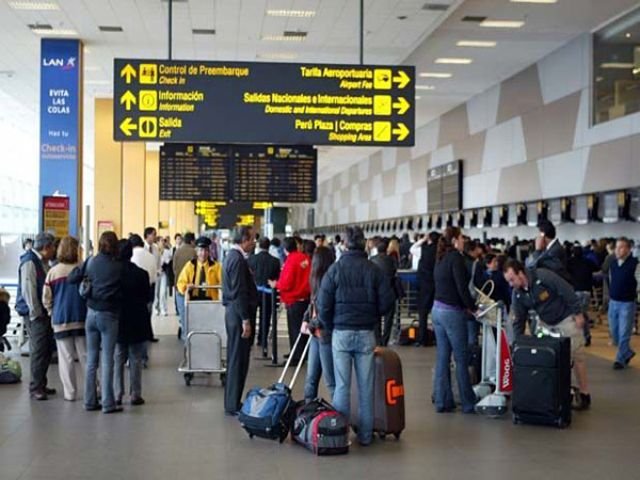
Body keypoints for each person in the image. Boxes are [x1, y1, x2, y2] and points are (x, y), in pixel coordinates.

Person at [317, 226, 395, 446]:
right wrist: (373, 315)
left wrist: (331, 324)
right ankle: (366, 436)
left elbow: (323, 304)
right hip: (366, 333)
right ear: (364, 243)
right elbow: (388, 301)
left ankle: (339, 435)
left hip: (341, 333)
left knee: (342, 387)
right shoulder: (373, 270)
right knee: (366, 387)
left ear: (345, 244)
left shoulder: (335, 269)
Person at [504, 259, 591, 409]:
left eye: (512, 279)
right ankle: (559, 393)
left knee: (577, 356)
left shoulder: (543, 276)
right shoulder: (517, 294)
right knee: (547, 358)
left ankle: (584, 394)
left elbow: (566, 291)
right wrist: (518, 343)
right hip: (545, 323)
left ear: (520, 274)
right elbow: (519, 319)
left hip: (565, 318)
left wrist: (578, 313)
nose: (511, 284)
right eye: (508, 281)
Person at [431, 227, 478, 414]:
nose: (463, 240)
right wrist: (472, 307)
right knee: (461, 358)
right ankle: (467, 402)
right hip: (452, 313)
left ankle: (442, 401)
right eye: (461, 237)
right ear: (454, 240)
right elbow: (461, 287)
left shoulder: (440, 257)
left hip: (437, 310)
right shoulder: (456, 258)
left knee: (442, 358)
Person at [81, 231, 123, 413]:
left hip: (91, 314)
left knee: (91, 360)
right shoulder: (118, 267)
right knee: (107, 360)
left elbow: (75, 277)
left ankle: (89, 401)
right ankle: (108, 403)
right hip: (109, 315)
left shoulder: (91, 262)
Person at [42, 236, 87, 402]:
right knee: (86, 356)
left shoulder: (53, 272)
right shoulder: (82, 270)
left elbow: (46, 298)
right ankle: (94, 389)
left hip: (60, 320)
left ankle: (70, 393)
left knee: (66, 358)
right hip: (81, 318)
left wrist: (51, 312)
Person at [15, 232, 57, 400]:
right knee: (39, 349)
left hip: (41, 312)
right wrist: (36, 313)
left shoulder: (41, 262)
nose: (54, 250)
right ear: (46, 247)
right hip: (35, 313)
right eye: (53, 247)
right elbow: (29, 291)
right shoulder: (30, 262)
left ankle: (41, 383)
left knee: (46, 349)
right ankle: (35, 387)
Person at [221, 226, 257, 415]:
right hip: (238, 314)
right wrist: (245, 320)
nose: (254, 242)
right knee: (238, 359)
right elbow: (239, 292)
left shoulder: (232, 257)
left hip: (234, 312)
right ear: (244, 240)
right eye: (252, 239)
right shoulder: (237, 260)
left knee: (237, 357)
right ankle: (233, 403)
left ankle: (233, 401)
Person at [114, 239, 152, 406]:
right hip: (137, 319)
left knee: (118, 358)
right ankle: (135, 394)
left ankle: (117, 393)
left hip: (118, 320)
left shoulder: (113, 274)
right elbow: (147, 297)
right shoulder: (141, 274)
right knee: (135, 358)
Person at [303, 245, 336, 401]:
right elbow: (313, 304)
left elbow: (324, 310)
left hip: (324, 334)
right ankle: (309, 410)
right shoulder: (319, 280)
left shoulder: (326, 281)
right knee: (315, 379)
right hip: (318, 333)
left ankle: (337, 415)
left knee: (326, 380)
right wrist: (307, 319)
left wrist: (310, 323)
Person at [272, 237, 311, 366]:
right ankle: (303, 353)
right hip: (305, 299)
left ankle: (296, 357)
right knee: (303, 329)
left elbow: (286, 283)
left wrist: (276, 284)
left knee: (294, 330)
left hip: (293, 300)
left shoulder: (290, 261)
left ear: (285, 249)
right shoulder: (305, 258)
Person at [607, 237, 640, 370]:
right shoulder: (613, 264)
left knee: (624, 333)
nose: (617, 250)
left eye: (621, 247)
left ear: (628, 249)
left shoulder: (635, 264)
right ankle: (628, 352)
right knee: (614, 333)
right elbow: (611, 280)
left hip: (627, 303)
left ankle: (619, 360)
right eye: (616, 247)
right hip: (613, 302)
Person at [247, 237, 281, 349]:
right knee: (265, 317)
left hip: (253, 293)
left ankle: (250, 339)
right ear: (269, 246)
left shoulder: (251, 259)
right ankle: (262, 339)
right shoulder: (275, 261)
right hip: (268, 293)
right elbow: (277, 278)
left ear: (259, 246)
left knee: (251, 316)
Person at [176, 236, 222, 305]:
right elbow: (180, 283)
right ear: (197, 252)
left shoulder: (216, 266)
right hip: (194, 301)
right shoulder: (190, 265)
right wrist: (187, 286)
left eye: (206, 250)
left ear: (209, 252)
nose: (203, 253)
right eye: (201, 250)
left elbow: (223, 282)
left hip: (211, 301)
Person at [370, 237, 398, 346]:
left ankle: (378, 341)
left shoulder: (372, 260)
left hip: (376, 293)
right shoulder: (391, 260)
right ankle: (385, 340)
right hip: (389, 292)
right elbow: (395, 272)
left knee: (376, 318)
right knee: (388, 319)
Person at [568, 245, 597, 346]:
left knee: (575, 314)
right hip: (587, 291)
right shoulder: (588, 262)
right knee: (583, 314)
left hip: (574, 291)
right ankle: (586, 335)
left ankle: (579, 336)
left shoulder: (569, 262)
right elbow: (597, 268)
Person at [526, 219, 572, 284]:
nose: (536, 238)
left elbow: (535, 265)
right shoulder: (549, 249)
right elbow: (528, 263)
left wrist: (537, 250)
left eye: (538, 235)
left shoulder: (555, 250)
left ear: (543, 235)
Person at [414, 232, 439, 346]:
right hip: (436, 284)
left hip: (424, 284)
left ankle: (422, 338)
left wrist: (423, 240)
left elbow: (412, 248)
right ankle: (437, 337)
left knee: (423, 313)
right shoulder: (439, 252)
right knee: (436, 312)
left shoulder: (423, 250)